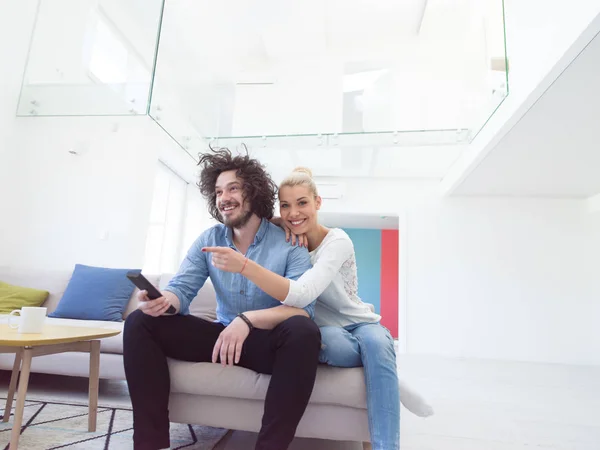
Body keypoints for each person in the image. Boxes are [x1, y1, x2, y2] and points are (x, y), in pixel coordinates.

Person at [204, 167, 433, 450]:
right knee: (327, 345)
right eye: (286, 205)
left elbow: (301, 294)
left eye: (302, 203)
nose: (294, 212)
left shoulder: (337, 241)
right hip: (325, 329)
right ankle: (390, 379)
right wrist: (281, 222)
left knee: (375, 344)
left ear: (318, 203)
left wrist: (245, 266)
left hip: (359, 322)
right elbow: (259, 223)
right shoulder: (284, 238)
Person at [123, 150, 321, 450]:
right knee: (141, 321)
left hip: (266, 343)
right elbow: (182, 288)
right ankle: (148, 444)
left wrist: (247, 321)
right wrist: (165, 300)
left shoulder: (289, 243)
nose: (223, 197)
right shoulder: (209, 239)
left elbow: (303, 309)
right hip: (222, 339)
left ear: (253, 192)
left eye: (232, 188)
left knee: (304, 332)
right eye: (217, 191)